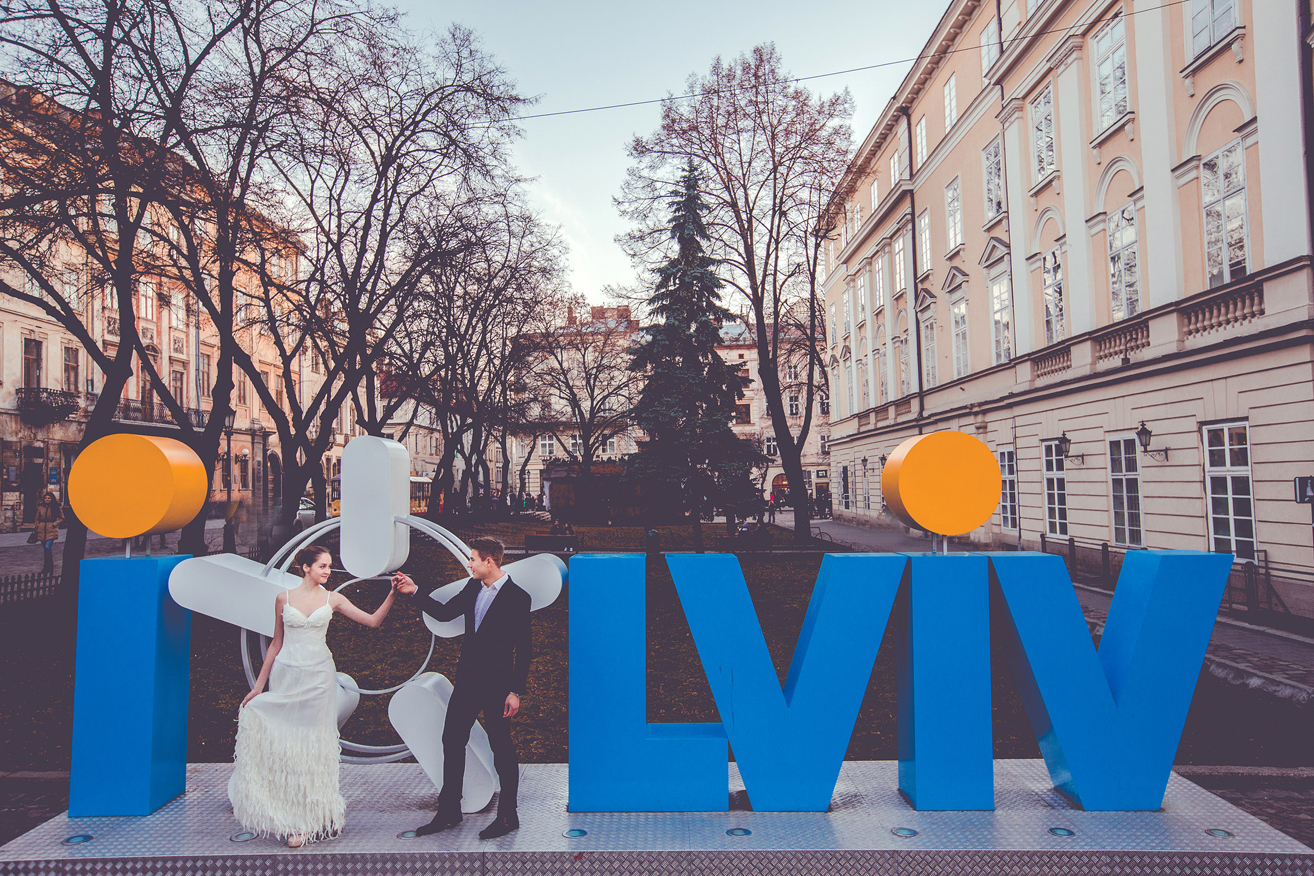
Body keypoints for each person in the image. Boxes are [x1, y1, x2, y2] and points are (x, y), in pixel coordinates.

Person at [228, 544, 399, 847]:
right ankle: (290, 814)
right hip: (286, 675)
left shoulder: (334, 599)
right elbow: (275, 644)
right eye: (323, 566)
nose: (328, 571)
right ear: (305, 567)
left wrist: (392, 595)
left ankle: (314, 817)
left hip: (319, 677)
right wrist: (258, 686)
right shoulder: (283, 598)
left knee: (315, 747)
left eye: (330, 566)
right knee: (287, 747)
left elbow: (372, 621)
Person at [394, 536, 531, 840]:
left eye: (472, 559)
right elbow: (444, 613)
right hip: (468, 680)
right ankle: (449, 810)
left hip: (498, 686)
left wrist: (515, 691)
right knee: (452, 740)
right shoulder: (473, 587)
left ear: (489, 562)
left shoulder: (518, 597)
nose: (468, 564)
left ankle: (508, 815)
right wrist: (414, 591)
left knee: (501, 747)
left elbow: (524, 649)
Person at [34, 492, 61, 574]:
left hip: (51, 530)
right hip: (42, 530)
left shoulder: (56, 507)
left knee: (47, 547)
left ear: (51, 499)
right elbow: (37, 518)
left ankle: (50, 566)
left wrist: (54, 524)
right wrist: (38, 525)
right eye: (46, 498)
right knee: (45, 549)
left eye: (49, 498)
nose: (47, 500)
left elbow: (62, 518)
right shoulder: (41, 507)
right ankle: (47, 567)